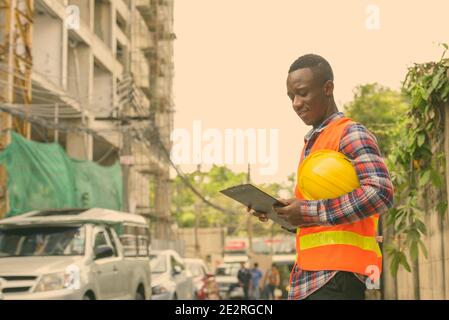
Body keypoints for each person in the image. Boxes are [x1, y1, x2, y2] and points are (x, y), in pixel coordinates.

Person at [249, 54, 394, 300]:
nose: (295, 103)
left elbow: (380, 193)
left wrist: (308, 212)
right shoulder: (312, 144)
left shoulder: (351, 133)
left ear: (328, 88)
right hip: (312, 280)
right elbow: (316, 224)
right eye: (290, 97)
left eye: (302, 93)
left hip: (339, 279)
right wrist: (281, 212)